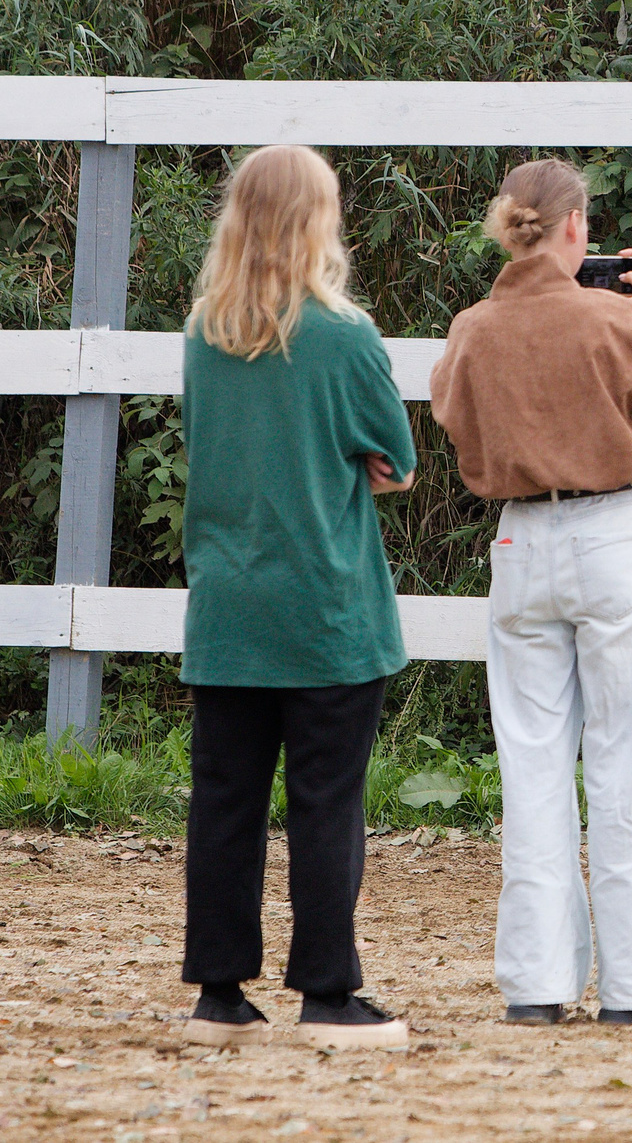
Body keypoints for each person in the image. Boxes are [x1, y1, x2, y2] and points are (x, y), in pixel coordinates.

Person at [429, 159, 632, 1026]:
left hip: (521, 537)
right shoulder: (611, 319)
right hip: (610, 532)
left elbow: (450, 411)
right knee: (629, 755)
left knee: (531, 765)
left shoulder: (473, 328)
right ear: (574, 229)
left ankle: (536, 981)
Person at [178, 144, 419, 1051]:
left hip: (228, 606)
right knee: (325, 801)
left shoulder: (203, 332)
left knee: (225, 803)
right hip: (326, 607)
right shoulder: (344, 334)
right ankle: (327, 992)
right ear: (319, 220)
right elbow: (395, 461)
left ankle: (219, 995)